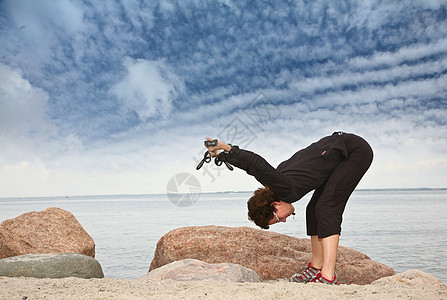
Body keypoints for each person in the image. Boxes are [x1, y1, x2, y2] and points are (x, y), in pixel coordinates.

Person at [205, 131, 373, 285]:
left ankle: (328, 276)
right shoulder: (277, 183)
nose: (284, 220)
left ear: (275, 205)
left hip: (354, 151)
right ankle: (316, 267)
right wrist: (223, 156)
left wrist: (226, 148)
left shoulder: (284, 190)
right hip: (341, 151)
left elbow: (255, 164)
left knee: (326, 207)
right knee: (313, 209)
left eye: (278, 219)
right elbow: (253, 169)